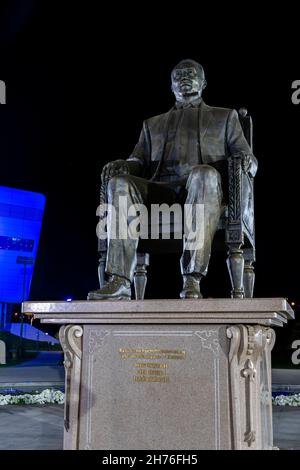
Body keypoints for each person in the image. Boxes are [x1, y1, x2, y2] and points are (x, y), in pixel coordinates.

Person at [88, 59, 257, 300]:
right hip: (161, 189)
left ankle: (192, 278)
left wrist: (247, 161)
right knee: (119, 183)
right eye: (178, 76)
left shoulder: (225, 117)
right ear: (171, 86)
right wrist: (124, 165)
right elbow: (138, 161)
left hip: (203, 190)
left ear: (204, 82)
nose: (184, 78)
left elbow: (247, 155)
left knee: (204, 174)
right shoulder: (152, 125)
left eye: (190, 74)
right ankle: (119, 281)